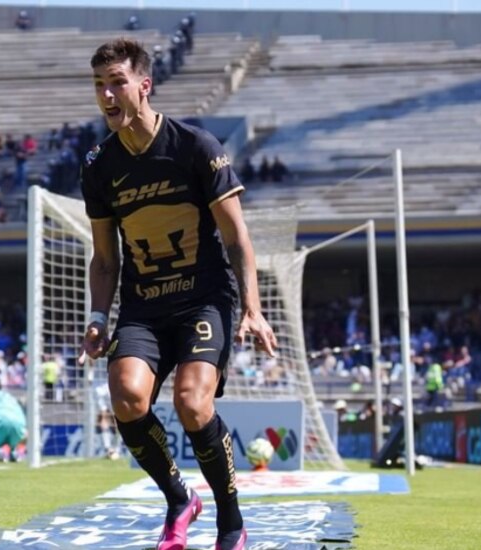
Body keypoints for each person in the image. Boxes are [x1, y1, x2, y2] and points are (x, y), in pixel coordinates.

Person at [80, 38, 277, 550]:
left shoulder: (196, 147)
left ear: (144, 85)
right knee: (126, 397)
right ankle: (178, 498)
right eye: (99, 85)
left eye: (116, 82)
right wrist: (99, 316)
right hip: (144, 306)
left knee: (191, 403)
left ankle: (230, 520)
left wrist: (252, 309)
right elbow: (105, 258)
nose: (106, 94)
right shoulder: (98, 166)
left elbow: (237, 239)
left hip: (203, 299)